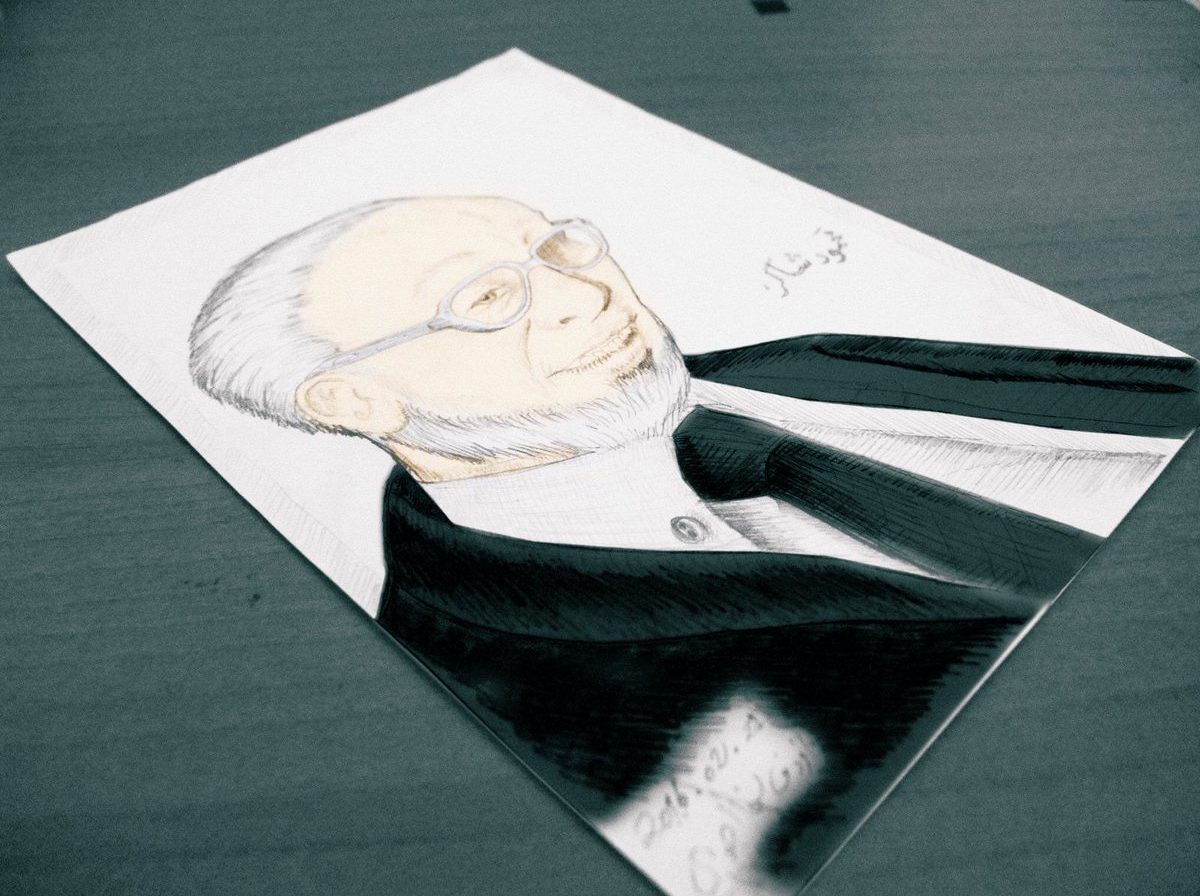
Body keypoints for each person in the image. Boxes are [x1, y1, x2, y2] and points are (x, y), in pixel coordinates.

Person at [189, 195, 1199, 641]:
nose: (589, 295)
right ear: (352, 399)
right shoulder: (508, 646)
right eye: (488, 298)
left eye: (559, 249)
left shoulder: (809, 363)